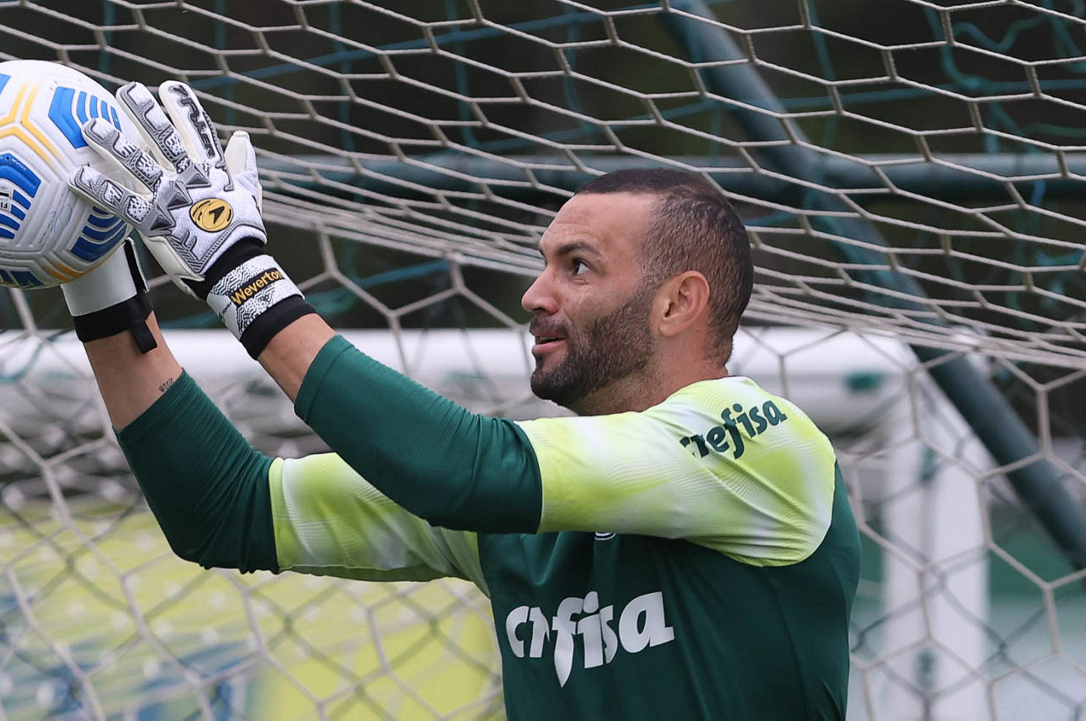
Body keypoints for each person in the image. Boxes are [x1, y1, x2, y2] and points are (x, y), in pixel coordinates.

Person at [56, 79, 861, 720]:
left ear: (678, 302)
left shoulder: (762, 447)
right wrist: (92, 273)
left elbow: (469, 472)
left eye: (577, 266)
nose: (534, 294)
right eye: (543, 262)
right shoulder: (519, 505)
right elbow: (225, 509)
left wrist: (246, 278)